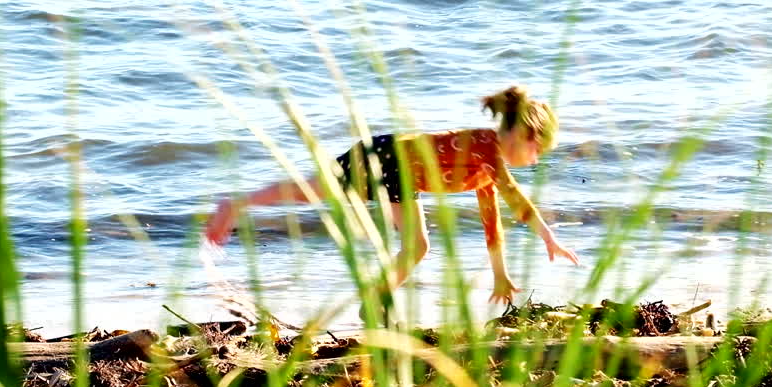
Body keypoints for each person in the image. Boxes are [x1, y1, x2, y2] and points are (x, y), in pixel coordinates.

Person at [205, 86, 580, 303]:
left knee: (313, 191)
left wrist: (500, 275)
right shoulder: (487, 149)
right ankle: (374, 300)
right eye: (537, 152)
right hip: (390, 158)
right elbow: (516, 200)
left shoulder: (488, 165)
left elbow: (492, 221)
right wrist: (550, 237)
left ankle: (236, 205)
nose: (534, 161)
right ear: (524, 135)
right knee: (415, 246)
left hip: (385, 155)